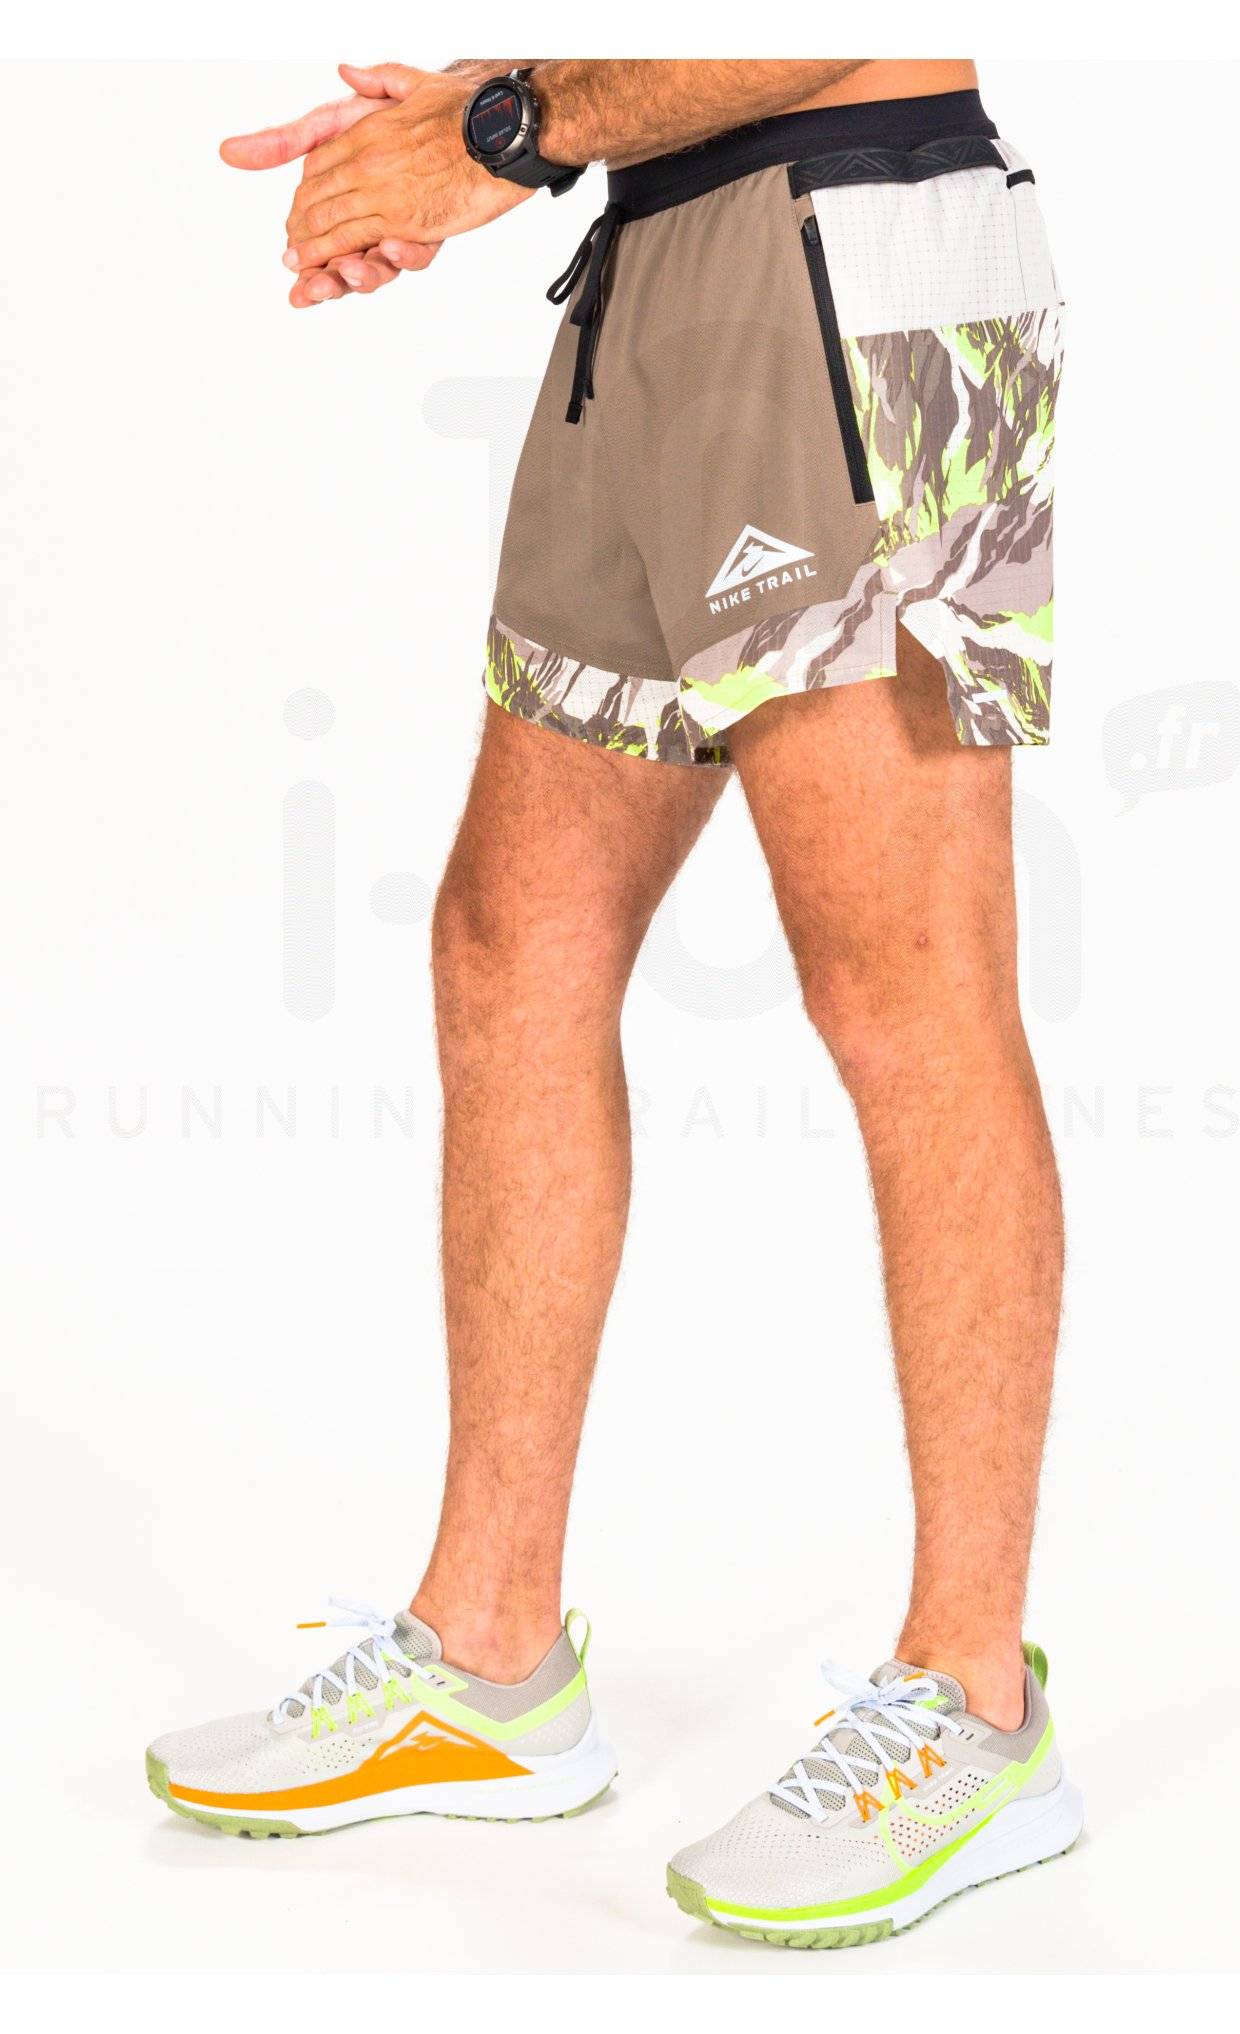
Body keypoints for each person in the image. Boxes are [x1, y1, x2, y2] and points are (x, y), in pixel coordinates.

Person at [146, 58, 1078, 1949]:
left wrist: (506, 131)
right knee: (512, 939)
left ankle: (975, 1703)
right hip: (661, 250)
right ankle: (490, 1654)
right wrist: (501, 110)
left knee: (902, 988)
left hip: (849, 255)